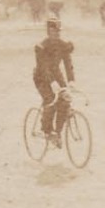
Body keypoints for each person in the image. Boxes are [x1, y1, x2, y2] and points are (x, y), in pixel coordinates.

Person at [32, 16, 76, 144]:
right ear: (48, 31)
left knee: (65, 101)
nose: (57, 34)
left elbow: (68, 64)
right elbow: (43, 66)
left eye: (58, 31)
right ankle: (46, 130)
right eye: (54, 31)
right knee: (50, 100)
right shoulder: (41, 47)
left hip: (57, 76)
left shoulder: (63, 45)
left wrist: (71, 80)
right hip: (41, 78)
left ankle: (57, 133)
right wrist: (52, 82)